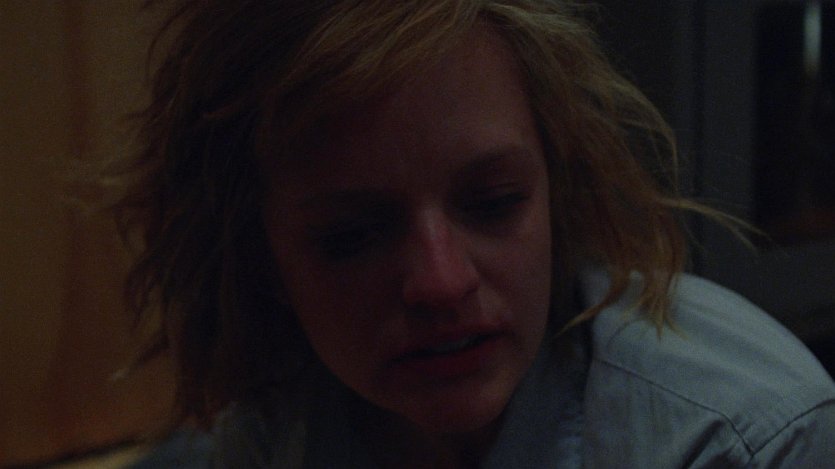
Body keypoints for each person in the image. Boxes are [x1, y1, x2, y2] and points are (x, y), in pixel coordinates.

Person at [111, 0, 835, 467]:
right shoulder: (270, 427)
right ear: (261, 257)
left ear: (557, 184)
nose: (441, 281)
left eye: (493, 203)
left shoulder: (740, 439)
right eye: (351, 236)